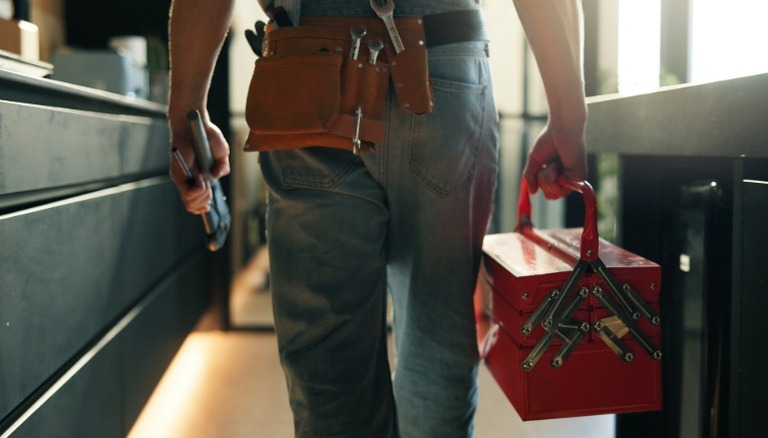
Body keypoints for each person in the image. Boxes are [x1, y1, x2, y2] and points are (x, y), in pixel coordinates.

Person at [168, 0, 587, 436]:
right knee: (439, 346)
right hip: (444, 67)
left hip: (307, 67)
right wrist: (568, 112)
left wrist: (187, 111)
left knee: (329, 366)